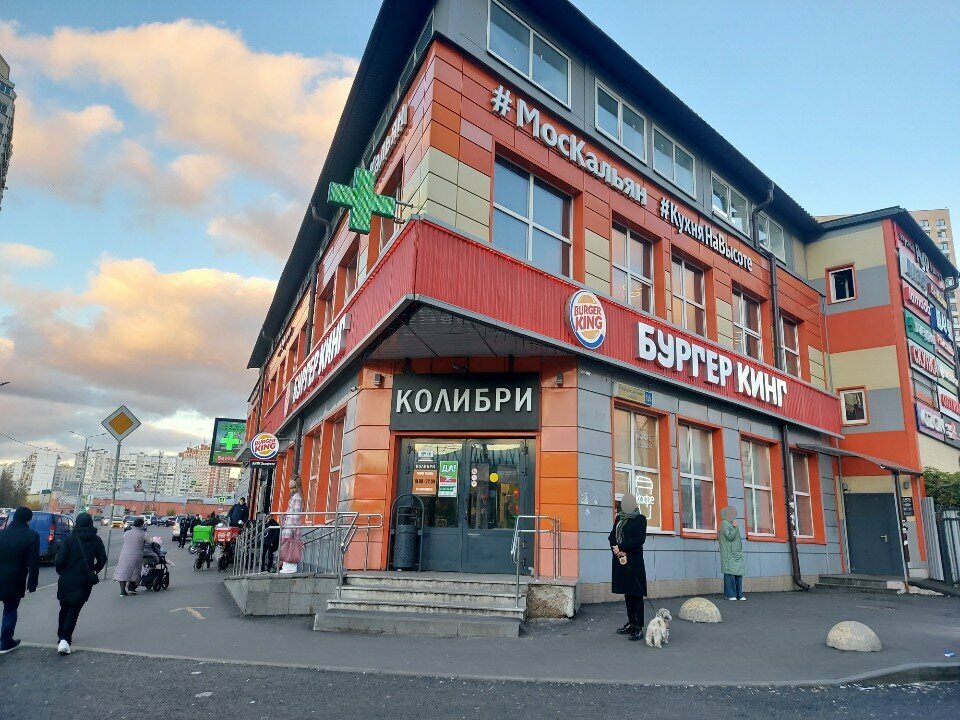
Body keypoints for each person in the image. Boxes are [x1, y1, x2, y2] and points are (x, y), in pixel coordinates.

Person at [54, 512, 107, 654]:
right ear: (90, 523)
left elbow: (59, 561)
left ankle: (61, 636)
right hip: (84, 581)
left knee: (64, 607)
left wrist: (62, 572)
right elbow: (102, 559)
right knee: (74, 610)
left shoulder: (69, 539)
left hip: (66, 580)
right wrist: (93, 570)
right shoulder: (96, 540)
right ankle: (65, 639)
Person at [0, 507, 40, 654]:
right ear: (28, 519)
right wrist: (32, 585)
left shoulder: (1, 534)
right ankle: (5, 642)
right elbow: (34, 563)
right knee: (10, 610)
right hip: (15, 580)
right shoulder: (32, 536)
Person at [608, 493, 647, 641]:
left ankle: (638, 627)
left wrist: (622, 547)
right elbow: (611, 536)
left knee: (636, 593)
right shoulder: (619, 518)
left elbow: (639, 539)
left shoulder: (640, 519)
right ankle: (631, 623)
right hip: (620, 560)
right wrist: (616, 548)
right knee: (627, 593)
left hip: (634, 562)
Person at [719, 506, 747, 601]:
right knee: (729, 573)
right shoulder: (724, 523)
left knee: (738, 574)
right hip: (728, 553)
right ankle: (730, 595)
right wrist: (735, 528)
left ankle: (739, 594)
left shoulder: (732, 523)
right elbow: (730, 537)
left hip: (736, 553)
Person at [114, 517, 146, 595]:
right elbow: (150, 541)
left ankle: (122, 591)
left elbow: (126, 539)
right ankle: (131, 588)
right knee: (134, 571)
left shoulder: (127, 532)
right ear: (142, 525)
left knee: (123, 571)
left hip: (124, 554)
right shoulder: (143, 533)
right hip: (136, 555)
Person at [278, 476, 304, 574]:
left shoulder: (297, 497)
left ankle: (289, 568)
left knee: (290, 547)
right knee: (287, 546)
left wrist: (293, 527)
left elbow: (296, 514)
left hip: (291, 528)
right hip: (289, 527)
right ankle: (286, 566)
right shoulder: (295, 496)